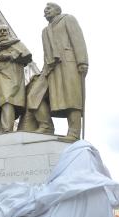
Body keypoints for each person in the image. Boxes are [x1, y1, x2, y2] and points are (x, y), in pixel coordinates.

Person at [30, 3, 88, 141]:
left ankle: (74, 133)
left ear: (57, 10)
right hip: (50, 67)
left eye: (48, 8)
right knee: (34, 95)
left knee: (71, 97)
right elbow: (46, 53)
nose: (45, 11)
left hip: (69, 63)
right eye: (44, 10)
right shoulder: (45, 31)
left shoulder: (68, 19)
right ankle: (46, 125)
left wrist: (82, 61)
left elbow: (78, 40)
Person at [0, 24, 32, 133]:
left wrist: (10, 56)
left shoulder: (16, 43)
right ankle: (1, 131)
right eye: (0, 31)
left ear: (8, 32)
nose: (2, 32)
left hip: (10, 77)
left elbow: (27, 55)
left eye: (4, 30)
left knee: (7, 100)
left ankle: (7, 130)